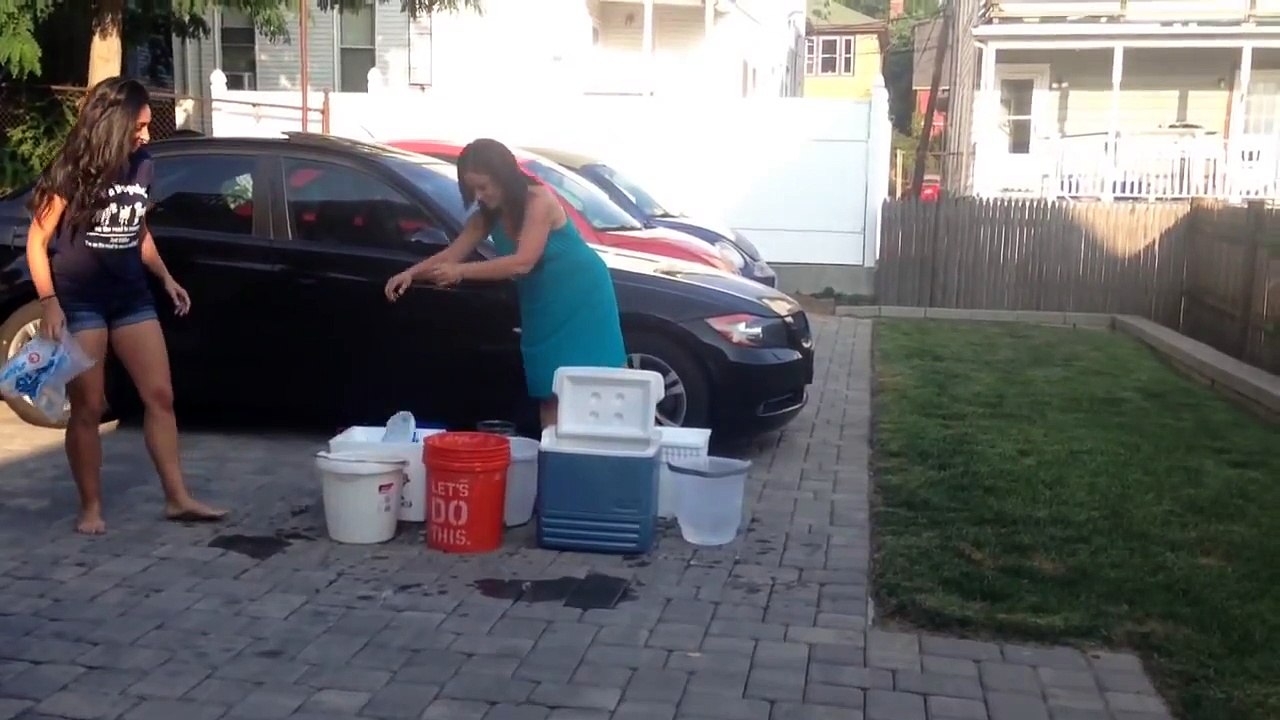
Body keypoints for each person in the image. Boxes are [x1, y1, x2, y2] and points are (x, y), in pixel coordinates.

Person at [25, 76, 227, 534]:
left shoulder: (143, 164)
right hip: (81, 300)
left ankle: (178, 498)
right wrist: (50, 303)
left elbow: (137, 230)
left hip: (130, 295)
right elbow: (37, 241)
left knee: (160, 396)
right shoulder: (71, 169)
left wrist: (166, 277)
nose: (145, 134)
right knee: (89, 407)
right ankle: (90, 508)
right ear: (113, 121)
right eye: (138, 125)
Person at [385, 138, 627, 429]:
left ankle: (604, 453)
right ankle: (553, 459)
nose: (479, 195)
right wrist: (411, 273)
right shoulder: (486, 216)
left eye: (484, 187)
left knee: (595, 384)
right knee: (547, 388)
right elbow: (452, 253)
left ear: (506, 178)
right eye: (472, 189)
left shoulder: (539, 201)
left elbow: (523, 261)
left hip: (582, 294)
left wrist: (460, 272)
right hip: (542, 301)